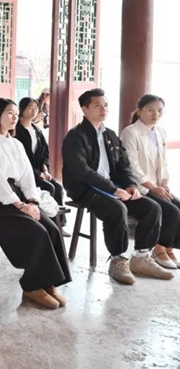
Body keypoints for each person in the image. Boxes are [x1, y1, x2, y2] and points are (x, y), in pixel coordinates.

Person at [0, 98, 71, 309]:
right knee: (37, 232)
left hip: (15, 196)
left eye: (16, 114)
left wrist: (32, 200)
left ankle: (49, 283)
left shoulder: (16, 144)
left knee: (51, 228)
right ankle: (32, 286)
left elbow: (26, 175)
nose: (14, 117)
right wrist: (20, 205)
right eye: (9, 113)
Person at [62, 88, 171, 284]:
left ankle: (141, 257)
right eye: (97, 105)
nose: (103, 109)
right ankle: (118, 259)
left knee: (152, 207)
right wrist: (113, 189)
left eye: (105, 105)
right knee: (117, 208)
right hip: (85, 188)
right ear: (84, 109)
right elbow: (81, 171)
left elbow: (123, 165)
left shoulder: (110, 135)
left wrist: (130, 184)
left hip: (112, 187)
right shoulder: (75, 136)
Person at [120, 94, 180, 269]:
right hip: (139, 186)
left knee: (178, 207)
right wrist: (153, 187)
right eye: (150, 110)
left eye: (159, 111)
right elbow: (132, 165)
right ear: (139, 111)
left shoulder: (160, 131)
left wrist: (165, 183)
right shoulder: (130, 132)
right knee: (171, 211)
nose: (156, 114)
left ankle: (168, 248)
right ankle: (159, 249)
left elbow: (164, 162)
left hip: (156, 185)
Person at [16, 97, 64, 207]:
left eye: (36, 108)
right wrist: (38, 174)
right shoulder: (16, 130)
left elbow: (44, 153)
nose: (34, 111)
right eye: (30, 108)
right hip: (25, 174)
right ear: (22, 109)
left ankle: (59, 217)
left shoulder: (37, 131)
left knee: (58, 188)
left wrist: (45, 170)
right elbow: (19, 159)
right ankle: (44, 216)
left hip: (39, 171)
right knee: (49, 188)